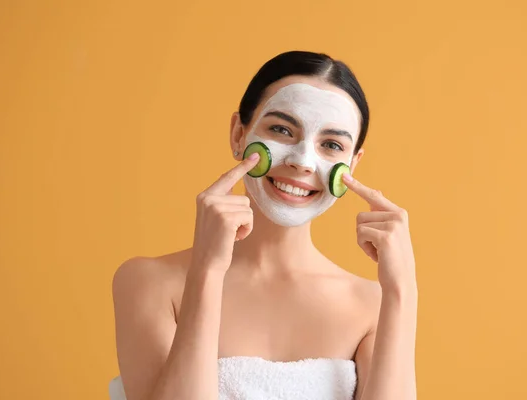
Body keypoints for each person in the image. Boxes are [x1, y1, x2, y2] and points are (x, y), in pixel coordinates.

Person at [110, 50, 418, 400]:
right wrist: (207, 272)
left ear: (352, 163)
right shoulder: (148, 283)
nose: (303, 162)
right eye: (282, 129)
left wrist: (402, 290)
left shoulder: (372, 304)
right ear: (238, 135)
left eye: (331, 144)